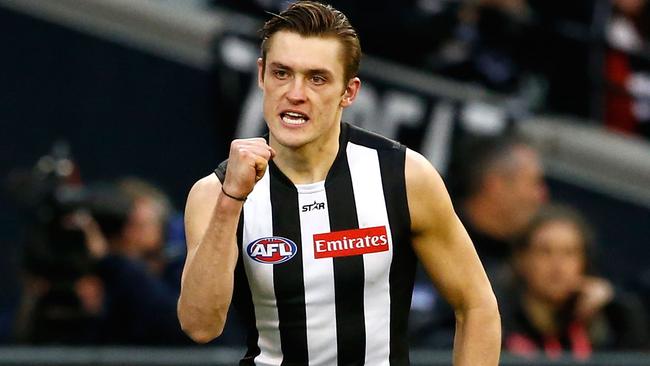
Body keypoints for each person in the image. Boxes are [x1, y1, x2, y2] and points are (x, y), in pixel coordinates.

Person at [178, 2, 500, 365]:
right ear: (261, 75)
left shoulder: (404, 176)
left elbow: (477, 305)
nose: (296, 93)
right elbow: (200, 325)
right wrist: (231, 200)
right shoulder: (214, 193)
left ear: (349, 92)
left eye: (317, 78)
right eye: (282, 73)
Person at [502, 204, 649, 359]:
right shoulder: (500, 321)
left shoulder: (598, 324)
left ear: (584, 263)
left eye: (569, 253)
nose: (557, 265)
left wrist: (616, 306)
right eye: (545, 251)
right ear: (522, 259)